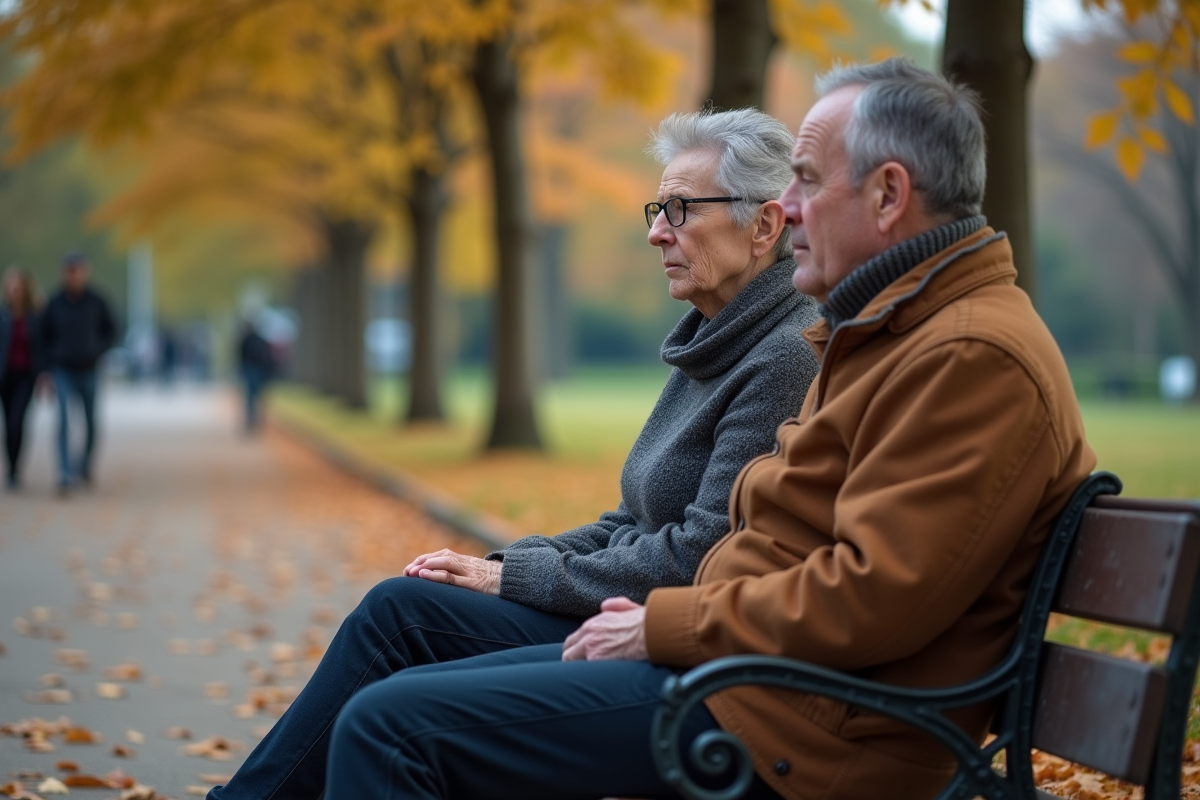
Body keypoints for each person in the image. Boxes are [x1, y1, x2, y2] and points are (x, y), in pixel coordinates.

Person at [320, 58, 1097, 800]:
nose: (788, 208)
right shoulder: (886, 333)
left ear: (889, 194)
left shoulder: (969, 355)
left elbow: (871, 598)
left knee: (391, 726)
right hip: (760, 685)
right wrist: (635, 613)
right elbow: (767, 538)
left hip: (808, 732)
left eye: (807, 181)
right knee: (400, 683)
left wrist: (665, 626)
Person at [206, 107, 821, 800]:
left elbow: (696, 559)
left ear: (764, 227)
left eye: (679, 209)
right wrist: (507, 566)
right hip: (633, 609)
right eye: (657, 210)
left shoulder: (783, 358)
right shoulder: (714, 339)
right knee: (398, 609)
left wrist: (516, 578)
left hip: (681, 645)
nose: (656, 232)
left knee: (394, 692)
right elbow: (630, 521)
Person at [40, 252, 117, 493]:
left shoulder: (97, 301)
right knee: (63, 420)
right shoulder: (54, 303)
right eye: (70, 270)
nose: (74, 275)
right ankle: (65, 473)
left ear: (85, 272)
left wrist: (98, 350)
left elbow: (112, 330)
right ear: (64, 273)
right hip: (62, 368)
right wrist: (46, 369)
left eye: (78, 270)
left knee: (91, 422)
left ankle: (83, 465)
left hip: (89, 369)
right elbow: (42, 337)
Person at [0, 267, 44, 490]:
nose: (13, 290)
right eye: (10, 285)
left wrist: (44, 373)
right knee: (8, 423)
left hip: (26, 376)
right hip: (4, 376)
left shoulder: (35, 317)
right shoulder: (2, 315)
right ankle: (11, 469)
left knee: (17, 422)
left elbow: (43, 346)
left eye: (17, 286)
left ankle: (16, 469)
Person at [236, 319, 274, 433]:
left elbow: (241, 357)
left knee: (250, 397)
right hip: (258, 371)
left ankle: (252, 420)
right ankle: (257, 420)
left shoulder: (246, 340)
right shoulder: (260, 341)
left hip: (251, 370)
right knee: (258, 396)